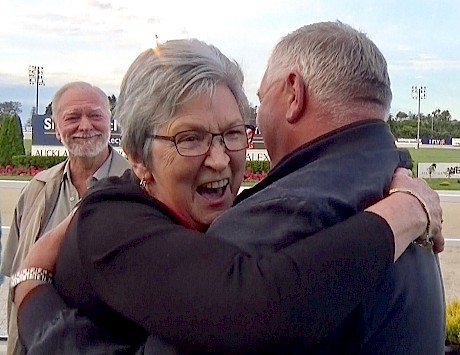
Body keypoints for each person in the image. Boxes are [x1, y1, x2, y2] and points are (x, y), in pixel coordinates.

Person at [14, 36, 442, 353]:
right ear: (138, 158)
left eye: (234, 133)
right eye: (191, 138)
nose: (220, 160)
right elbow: (254, 309)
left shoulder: (216, 210)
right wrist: (407, 210)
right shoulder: (113, 222)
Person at [0, 81, 131, 355]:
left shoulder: (140, 186)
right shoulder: (36, 190)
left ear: (110, 122)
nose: (85, 126)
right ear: (57, 129)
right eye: (72, 118)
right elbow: (17, 280)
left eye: (95, 115)